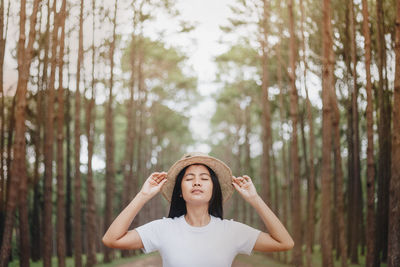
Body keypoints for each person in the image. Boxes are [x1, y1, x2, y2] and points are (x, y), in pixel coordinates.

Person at [102, 152, 294, 267]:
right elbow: (111, 239)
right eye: (188, 178)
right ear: (180, 191)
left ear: (213, 189)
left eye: (204, 178)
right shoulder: (163, 229)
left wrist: (255, 199)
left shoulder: (231, 231)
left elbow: (284, 242)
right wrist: (143, 195)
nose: (196, 182)